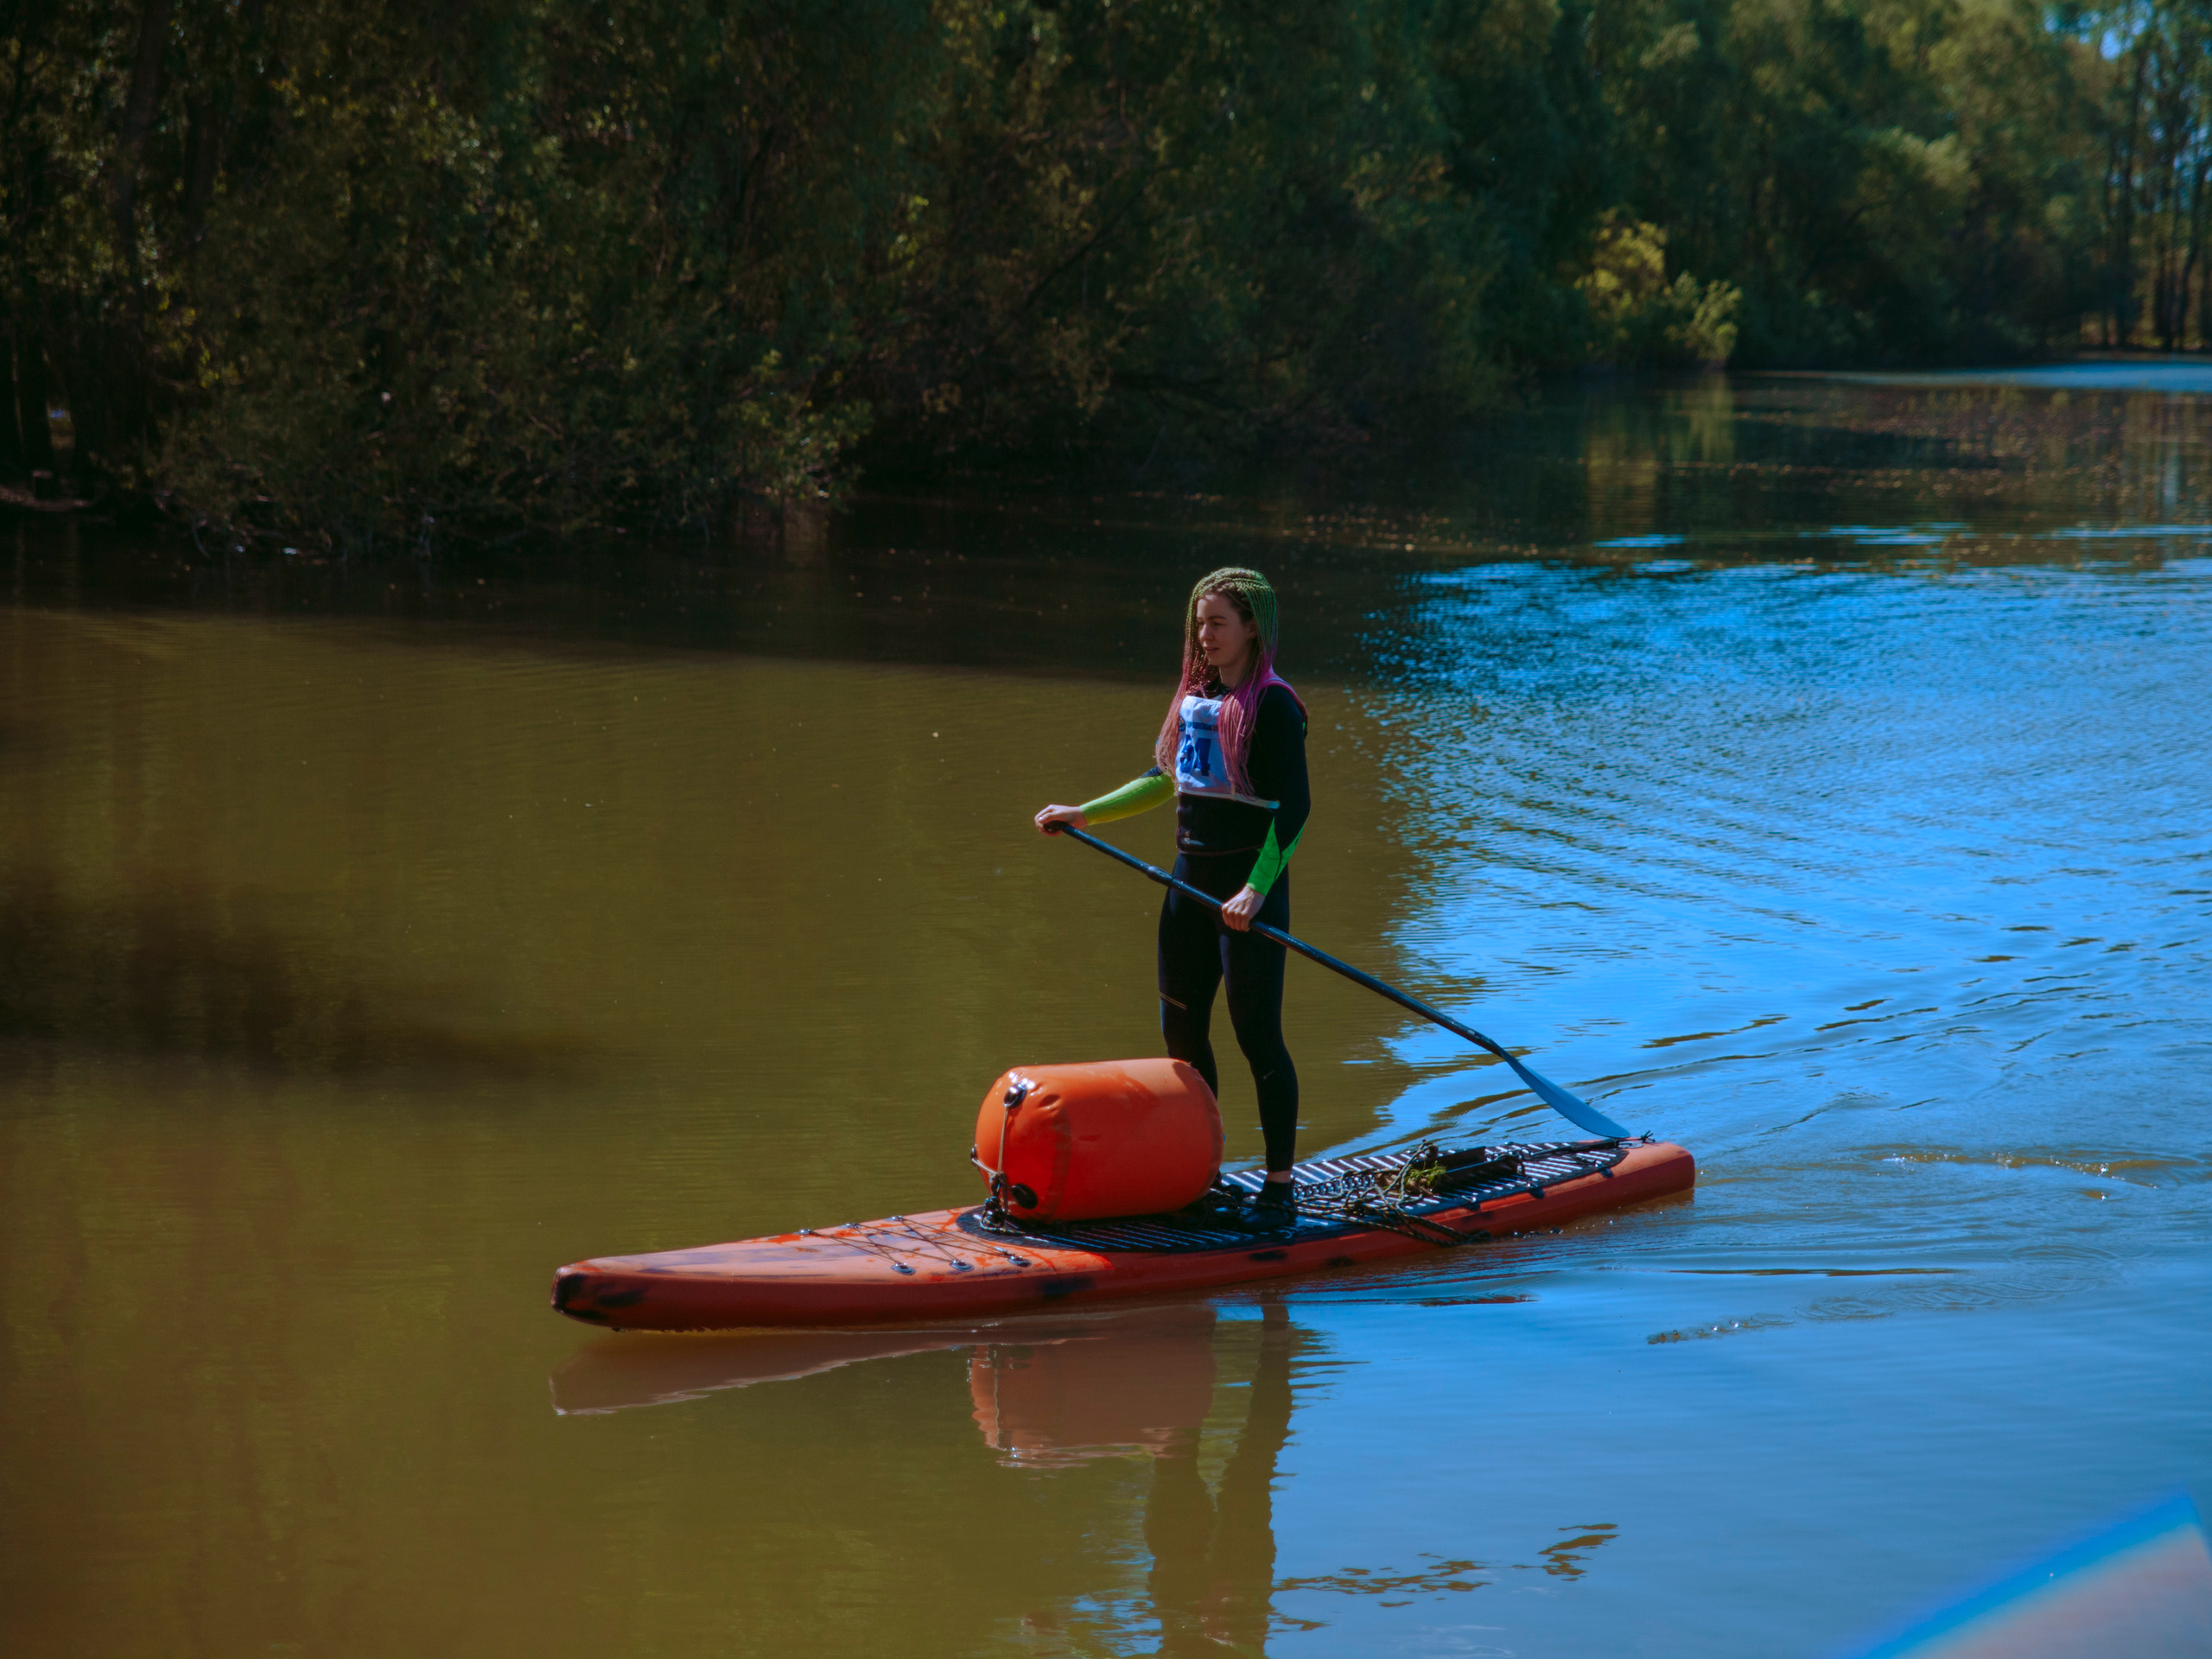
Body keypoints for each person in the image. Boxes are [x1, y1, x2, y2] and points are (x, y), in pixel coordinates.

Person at [1034, 566, 1310, 1212]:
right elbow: (1165, 779)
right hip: (1187, 890)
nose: (1204, 635)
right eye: (1199, 622)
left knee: (1257, 1036)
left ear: (1250, 628)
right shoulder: (1197, 696)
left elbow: (1294, 810)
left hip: (1248, 897)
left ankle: (1279, 1185)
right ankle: (1203, 1173)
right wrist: (1085, 812)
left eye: (1217, 622)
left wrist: (1255, 890)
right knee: (1182, 1040)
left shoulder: (1273, 706)